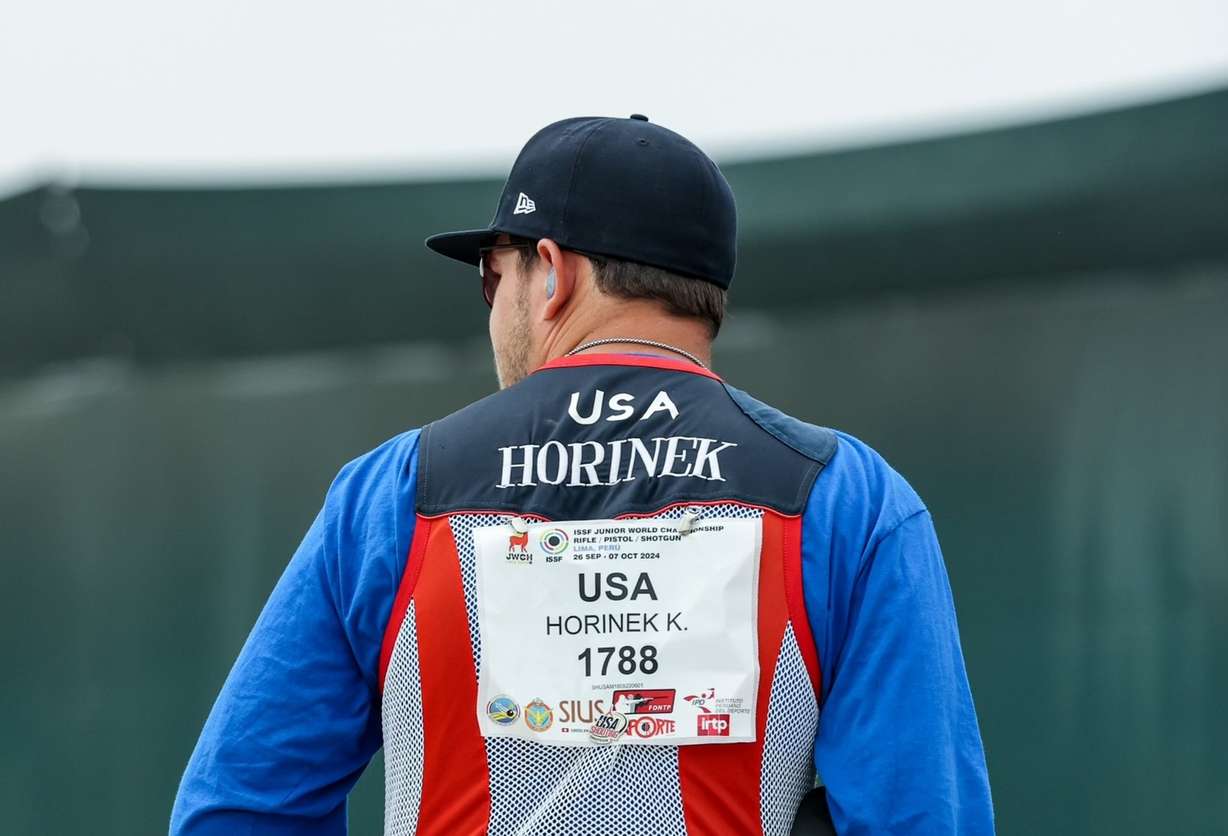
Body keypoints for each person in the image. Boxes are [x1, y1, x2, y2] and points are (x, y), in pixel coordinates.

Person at [171, 115, 994, 835]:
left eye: (493, 276)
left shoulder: (392, 497)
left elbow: (238, 809)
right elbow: (919, 814)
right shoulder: (846, 501)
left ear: (554, 273)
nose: (493, 306)